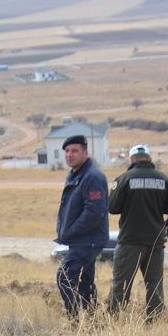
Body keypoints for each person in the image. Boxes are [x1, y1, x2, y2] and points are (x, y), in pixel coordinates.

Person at [107, 144, 168, 319]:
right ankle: (154, 321)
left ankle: (115, 319)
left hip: (130, 240)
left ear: (132, 159)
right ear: (149, 159)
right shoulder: (163, 179)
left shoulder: (124, 179)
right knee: (154, 284)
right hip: (155, 240)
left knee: (122, 283)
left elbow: (112, 207)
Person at [54, 133, 109, 321]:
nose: (69, 155)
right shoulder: (76, 173)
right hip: (81, 239)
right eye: (67, 151)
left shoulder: (92, 176)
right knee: (85, 281)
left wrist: (71, 230)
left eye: (74, 151)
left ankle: (75, 320)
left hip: (89, 239)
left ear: (85, 153)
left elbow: (94, 212)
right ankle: (91, 320)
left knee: (65, 275)